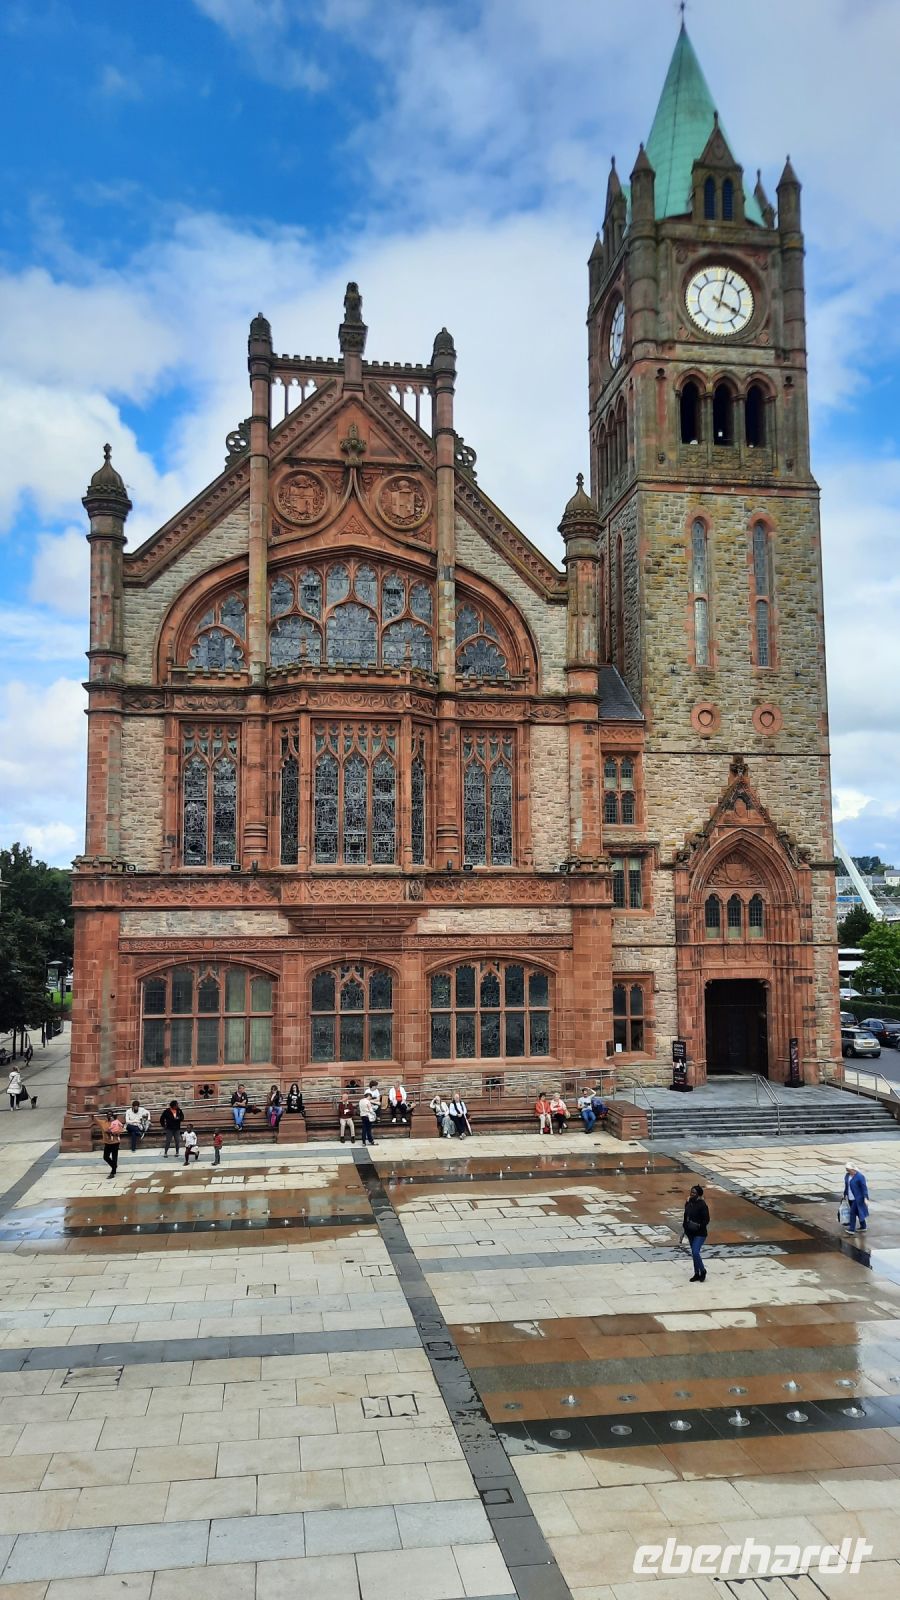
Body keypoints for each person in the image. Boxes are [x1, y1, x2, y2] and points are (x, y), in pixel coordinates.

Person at [683, 1183, 710, 1281]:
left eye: (694, 1192)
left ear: (699, 1194)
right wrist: (685, 1226)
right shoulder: (689, 1202)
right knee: (694, 1254)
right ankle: (696, 1273)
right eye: (691, 1192)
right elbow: (686, 1215)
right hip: (690, 1232)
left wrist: (698, 1226)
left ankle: (702, 1270)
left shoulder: (702, 1205)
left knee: (695, 1252)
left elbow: (706, 1220)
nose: (691, 1193)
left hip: (700, 1233)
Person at [843, 1162, 869, 1234]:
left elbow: (864, 1188)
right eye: (846, 1169)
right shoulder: (847, 1176)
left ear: (853, 1169)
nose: (847, 1171)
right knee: (857, 1212)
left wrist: (865, 1197)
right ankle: (863, 1226)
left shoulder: (860, 1177)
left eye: (848, 1169)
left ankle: (852, 1229)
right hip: (850, 1197)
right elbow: (846, 1186)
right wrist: (845, 1194)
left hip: (858, 1198)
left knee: (852, 1212)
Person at [97, 1111, 122, 1178]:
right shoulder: (103, 1123)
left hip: (115, 1142)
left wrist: (112, 1132)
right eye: (108, 1115)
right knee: (105, 1157)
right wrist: (91, 1116)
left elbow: (120, 1130)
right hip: (107, 1143)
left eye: (111, 1115)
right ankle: (114, 1166)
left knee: (114, 1157)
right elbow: (95, 1120)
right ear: (106, 1116)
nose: (109, 1116)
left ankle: (113, 1172)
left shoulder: (116, 1122)